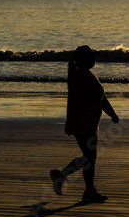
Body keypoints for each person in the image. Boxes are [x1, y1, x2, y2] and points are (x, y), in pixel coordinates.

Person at [50, 45, 119, 203]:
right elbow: (72, 102)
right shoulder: (78, 77)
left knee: (90, 157)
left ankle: (75, 183)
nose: (94, 60)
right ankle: (74, 182)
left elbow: (101, 98)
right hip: (82, 123)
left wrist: (112, 113)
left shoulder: (89, 74)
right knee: (90, 157)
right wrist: (70, 123)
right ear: (83, 60)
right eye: (91, 57)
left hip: (90, 123)